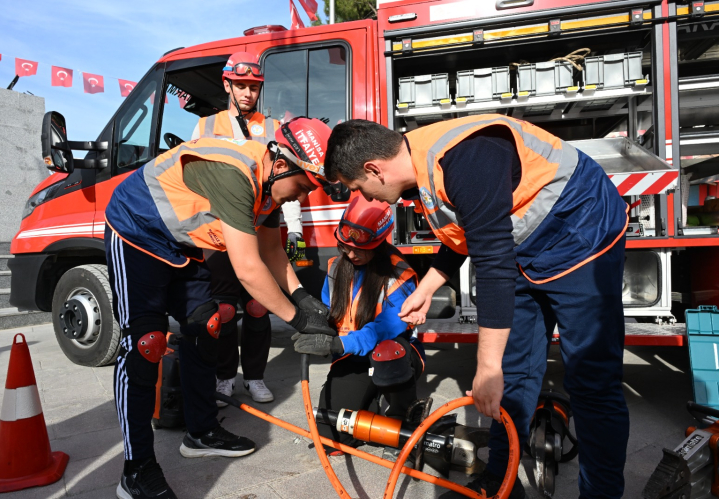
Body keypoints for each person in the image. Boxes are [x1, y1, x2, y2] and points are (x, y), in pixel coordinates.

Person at [322, 115, 629, 499]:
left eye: (359, 188)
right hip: (527, 247)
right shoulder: (421, 163)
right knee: (514, 374)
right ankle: (501, 482)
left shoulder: (466, 159)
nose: (366, 199)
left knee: (591, 380)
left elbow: (493, 263)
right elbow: (468, 229)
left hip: (583, 235)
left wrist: (486, 366)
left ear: (374, 169)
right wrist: (429, 286)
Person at [105, 117, 335, 499]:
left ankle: (200, 432)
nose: (302, 196)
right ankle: (136, 468)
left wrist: (303, 299)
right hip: (136, 230)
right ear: (282, 164)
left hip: (180, 242)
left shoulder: (269, 185)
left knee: (207, 323)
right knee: (145, 343)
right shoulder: (237, 173)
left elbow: (272, 250)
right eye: (303, 186)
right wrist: (298, 322)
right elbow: (248, 268)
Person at [192, 51, 307, 404]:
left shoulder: (272, 129)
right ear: (227, 84)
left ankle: (255, 377)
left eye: (254, 87)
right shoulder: (205, 126)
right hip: (218, 233)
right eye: (241, 85)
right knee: (224, 310)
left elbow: (287, 181)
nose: (247, 93)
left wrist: (295, 228)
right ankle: (225, 376)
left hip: (260, 229)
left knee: (258, 306)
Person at [293, 195, 424, 460]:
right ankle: (372, 408)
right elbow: (332, 314)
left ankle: (404, 419)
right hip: (353, 356)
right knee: (331, 440)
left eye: (360, 249)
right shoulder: (336, 268)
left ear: (379, 243)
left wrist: (339, 344)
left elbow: (384, 329)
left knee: (388, 351)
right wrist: (316, 328)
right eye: (345, 246)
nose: (351, 255)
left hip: (393, 355)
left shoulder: (399, 275)